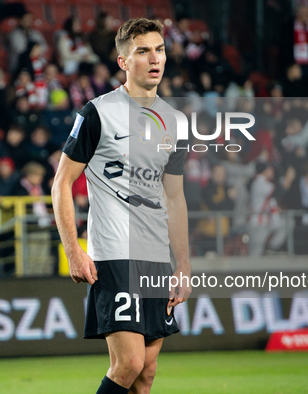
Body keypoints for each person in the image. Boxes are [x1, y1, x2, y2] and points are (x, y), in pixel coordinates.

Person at [51, 18, 191, 394]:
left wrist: (183, 266)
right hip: (114, 254)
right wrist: (73, 250)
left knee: (146, 374)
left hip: (156, 258)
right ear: (123, 62)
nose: (154, 58)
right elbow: (61, 183)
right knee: (128, 364)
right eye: (142, 51)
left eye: (159, 49)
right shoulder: (97, 113)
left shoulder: (175, 123)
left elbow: (174, 198)